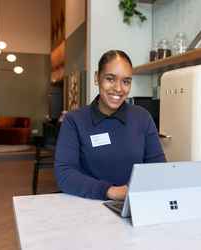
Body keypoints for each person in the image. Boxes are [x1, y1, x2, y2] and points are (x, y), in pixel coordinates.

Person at [54, 50, 166, 201]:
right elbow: (65, 174)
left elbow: (157, 166)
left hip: (134, 204)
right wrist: (110, 191)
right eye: (110, 79)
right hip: (89, 204)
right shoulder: (74, 120)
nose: (118, 88)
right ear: (96, 78)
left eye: (126, 81)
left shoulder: (142, 117)